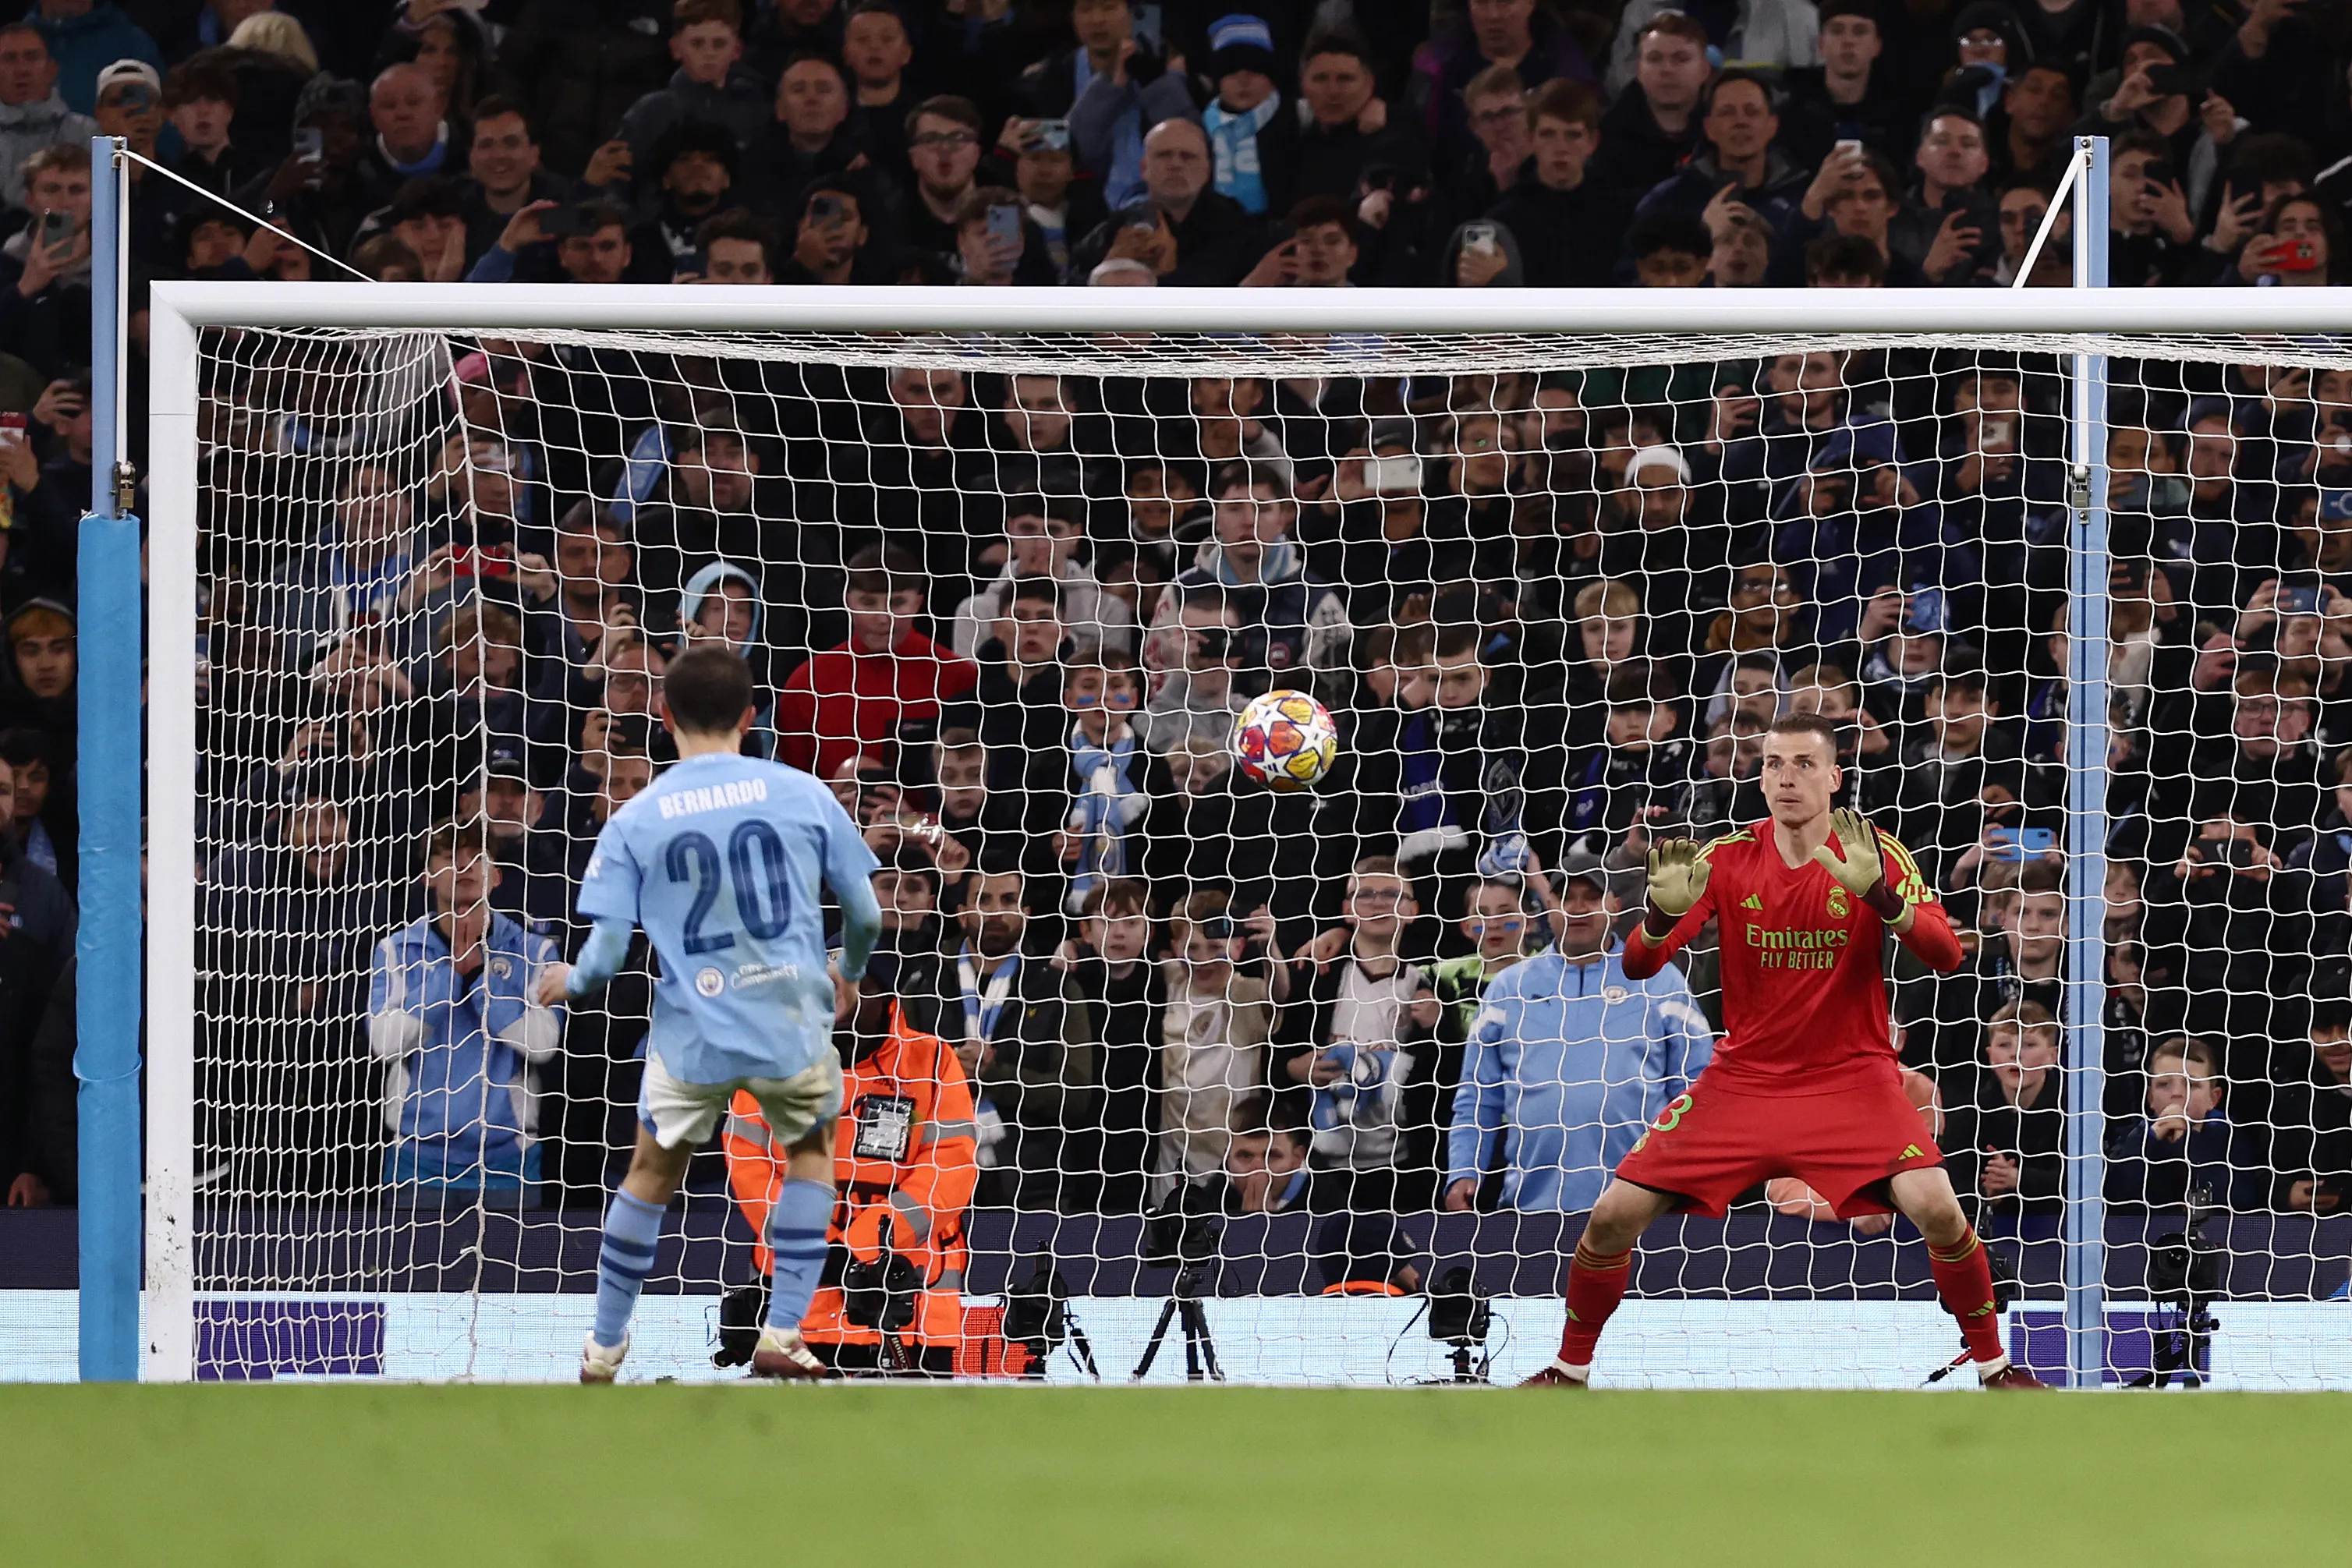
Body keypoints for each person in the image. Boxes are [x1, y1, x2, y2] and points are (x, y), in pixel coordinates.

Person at [1523, 712, 2044, 1389]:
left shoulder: (1875, 852)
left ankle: (1995, 1368)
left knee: (1942, 1210)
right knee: (1611, 1216)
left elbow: (1946, 954)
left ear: (1835, 776)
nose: (1786, 776)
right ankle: (1569, 1370)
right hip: (1743, 1082)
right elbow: (1640, 964)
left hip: (1853, 1081)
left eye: (1803, 763)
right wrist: (1655, 915)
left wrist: (1878, 897)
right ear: (1759, 775)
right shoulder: (1726, 857)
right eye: (1773, 763)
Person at [544, 644, 884, 1383]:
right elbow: (864, 911)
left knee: (649, 1174)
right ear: (751, 717)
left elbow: (604, 958)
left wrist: (568, 980)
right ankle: (784, 1329)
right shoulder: (801, 792)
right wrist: (847, 972)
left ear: (663, 720)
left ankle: (603, 1347)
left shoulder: (636, 818)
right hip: (789, 1020)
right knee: (810, 1156)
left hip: (692, 1028)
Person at [720, 982, 978, 1377]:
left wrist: (866, 1245)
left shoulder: (931, 1059)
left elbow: (952, 1166)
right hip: (797, 1314)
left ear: (880, 988)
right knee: (789, 1438)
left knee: (916, 1439)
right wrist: (815, 1242)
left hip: (907, 1313)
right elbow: (748, 1162)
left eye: (850, 980)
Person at [1445, 853, 1712, 1214]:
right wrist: (1463, 1170)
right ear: (1549, 906)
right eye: (1567, 897)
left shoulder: (1661, 980)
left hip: (1641, 1211)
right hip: (1531, 1210)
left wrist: (1693, 1179)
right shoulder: (1509, 988)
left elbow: (1696, 1089)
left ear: (1615, 906)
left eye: (1591, 896)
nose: (1579, 907)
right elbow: (1477, 1098)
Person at [367, 820, 563, 1201]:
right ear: (427, 875)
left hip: (508, 1163)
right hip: (417, 1159)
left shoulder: (534, 951)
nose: (463, 865)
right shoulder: (396, 950)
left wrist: (479, 980)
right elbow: (384, 1043)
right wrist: (448, 977)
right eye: (448, 855)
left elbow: (543, 1043)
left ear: (497, 876)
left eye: (477, 856)